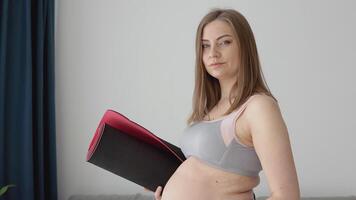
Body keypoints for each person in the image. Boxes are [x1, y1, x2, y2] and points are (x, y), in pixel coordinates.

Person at [148, 8, 300, 200]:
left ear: (244, 47)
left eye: (224, 43)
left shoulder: (259, 107)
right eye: (205, 46)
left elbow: (287, 195)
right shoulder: (206, 112)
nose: (213, 53)